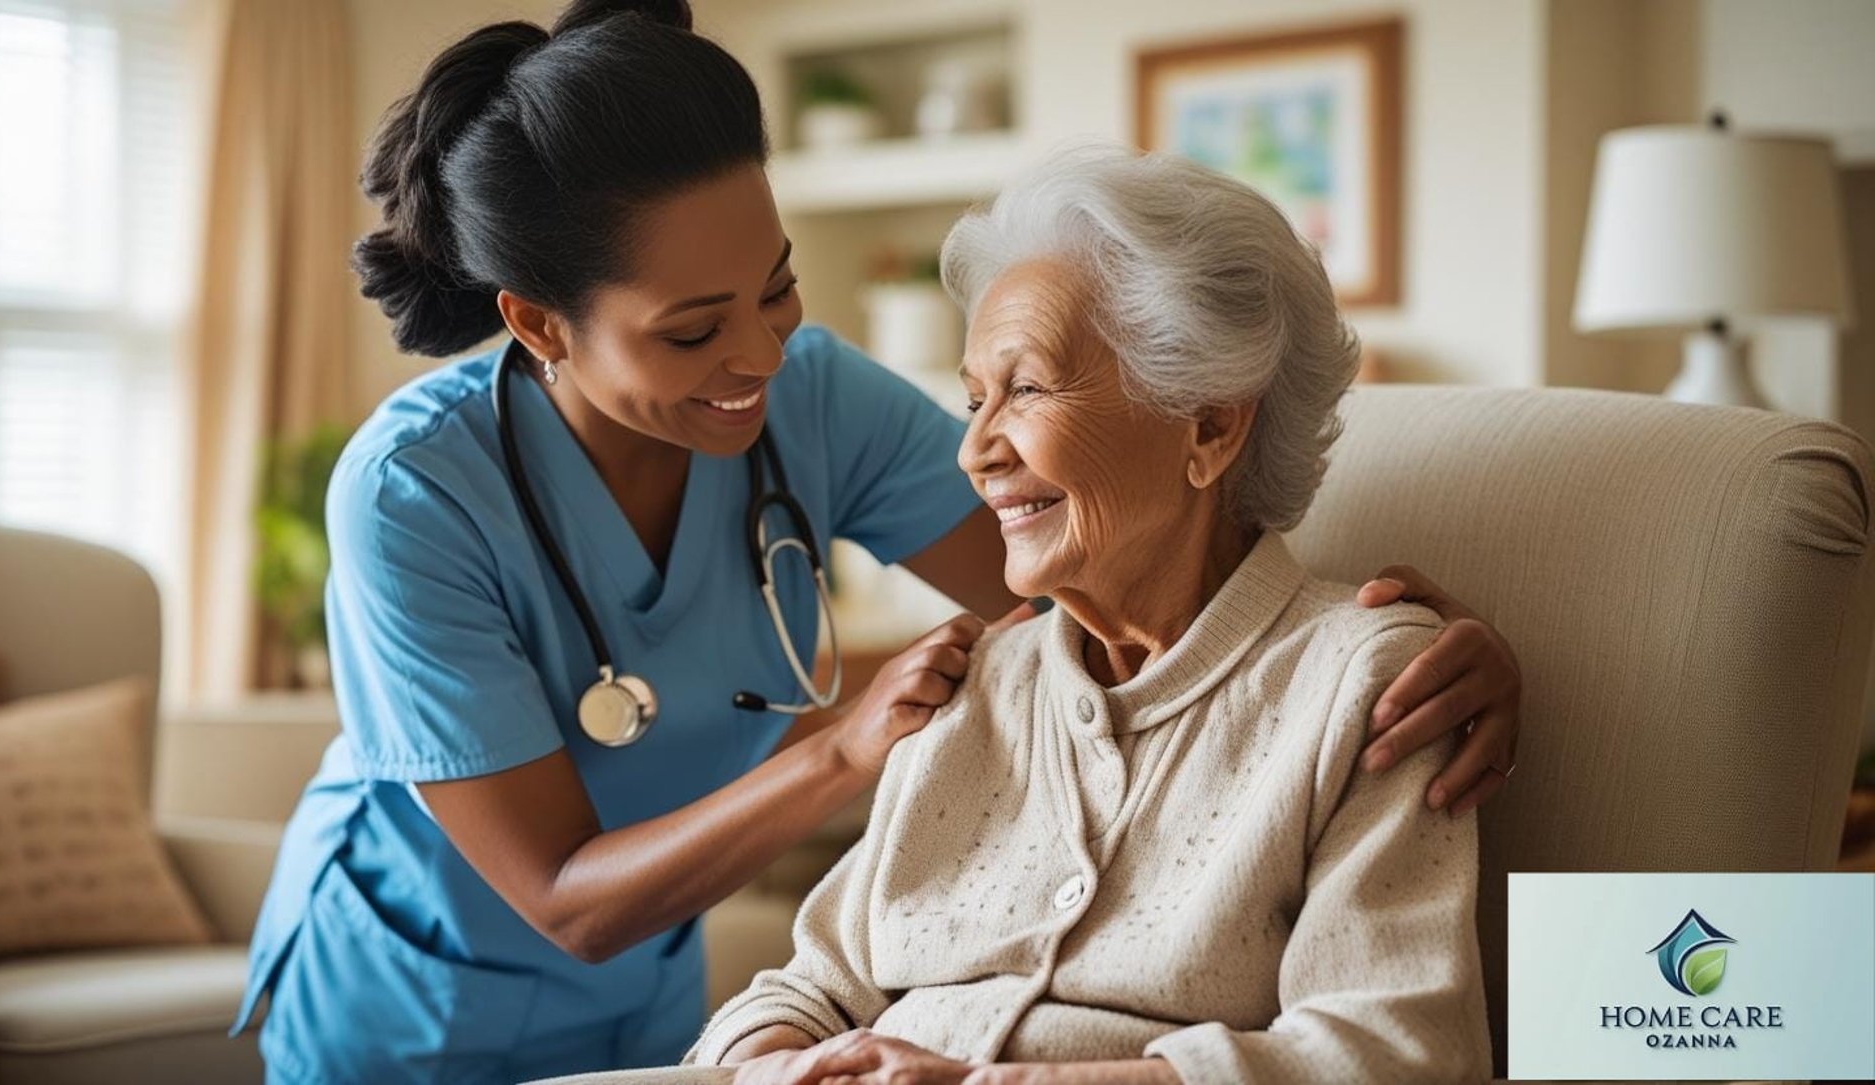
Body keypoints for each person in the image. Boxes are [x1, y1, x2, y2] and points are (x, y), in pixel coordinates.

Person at [229, 4, 1522, 1082]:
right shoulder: (414, 491)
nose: (759, 357)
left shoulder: (813, 395)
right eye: (693, 331)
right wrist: (846, 751)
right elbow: (576, 898)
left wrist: (1401, 643)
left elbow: (1115, 584)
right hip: (411, 994)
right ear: (542, 324)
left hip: (659, 991)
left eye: (778, 287)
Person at [686, 145, 1491, 1085]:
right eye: (973, 398)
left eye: (1024, 390)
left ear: (1209, 426)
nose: (975, 451)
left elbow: (1395, 1054)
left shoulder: (1366, 685)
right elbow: (804, 988)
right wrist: (776, 1066)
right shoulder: (974, 682)